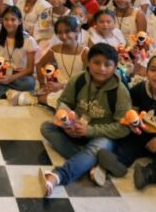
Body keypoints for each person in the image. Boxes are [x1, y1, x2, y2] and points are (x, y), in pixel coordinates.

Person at [40, 42, 132, 195]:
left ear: (115, 66)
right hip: (75, 129)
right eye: (96, 62)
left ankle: (59, 175)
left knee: (97, 147)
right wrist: (66, 122)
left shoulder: (120, 91)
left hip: (102, 136)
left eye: (107, 64)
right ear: (88, 62)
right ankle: (93, 162)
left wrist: (89, 130)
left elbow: (123, 127)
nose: (101, 68)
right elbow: (63, 102)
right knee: (46, 127)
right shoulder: (78, 79)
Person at [98, 54, 156, 190]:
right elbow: (133, 109)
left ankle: (149, 174)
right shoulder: (141, 89)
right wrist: (133, 121)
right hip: (144, 131)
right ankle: (119, 163)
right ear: (147, 73)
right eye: (153, 70)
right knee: (128, 138)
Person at [0, 6, 39, 103]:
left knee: (30, 83)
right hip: (0, 71)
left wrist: (11, 78)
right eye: (6, 19)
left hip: (18, 75)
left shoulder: (29, 40)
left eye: (13, 20)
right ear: (2, 21)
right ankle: (8, 92)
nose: (9, 23)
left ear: (20, 21)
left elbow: (30, 70)